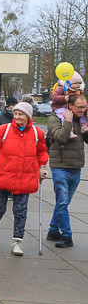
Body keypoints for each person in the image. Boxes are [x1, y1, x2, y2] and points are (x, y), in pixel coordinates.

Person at [0, 101, 48, 256]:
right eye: (15, 114)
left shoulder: (37, 134)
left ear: (28, 116)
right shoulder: (3, 131)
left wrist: (42, 166)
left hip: (25, 179)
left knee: (20, 211)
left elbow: (42, 152)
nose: (17, 117)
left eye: (20, 114)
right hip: (1, 177)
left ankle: (18, 241)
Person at [46, 92, 88, 248]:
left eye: (85, 107)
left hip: (76, 167)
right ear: (70, 106)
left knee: (63, 203)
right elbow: (61, 137)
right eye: (80, 107)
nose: (83, 110)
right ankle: (67, 235)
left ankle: (52, 230)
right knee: (62, 203)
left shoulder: (82, 120)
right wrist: (68, 121)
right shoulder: (56, 119)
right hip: (60, 166)